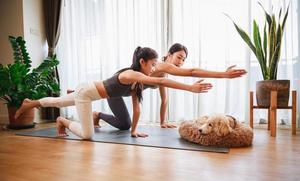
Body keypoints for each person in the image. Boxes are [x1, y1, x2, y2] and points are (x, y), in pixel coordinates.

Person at [15, 47, 213, 139]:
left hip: (87, 91)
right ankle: (63, 121)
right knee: (86, 135)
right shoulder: (131, 74)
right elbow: (161, 80)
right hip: (86, 94)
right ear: (142, 62)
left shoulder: (136, 83)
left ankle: (30, 103)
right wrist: (190, 88)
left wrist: (133, 131)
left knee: (58, 102)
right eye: (152, 64)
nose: (154, 68)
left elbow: (137, 108)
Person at [91, 43, 247, 129]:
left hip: (127, 93)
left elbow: (164, 100)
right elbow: (191, 72)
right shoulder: (159, 66)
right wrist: (223, 74)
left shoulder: (162, 73)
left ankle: (97, 115)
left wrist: (162, 122)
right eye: (179, 57)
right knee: (126, 125)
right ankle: (96, 113)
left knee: (125, 125)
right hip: (115, 89)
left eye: (184, 59)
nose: (181, 62)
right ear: (169, 54)